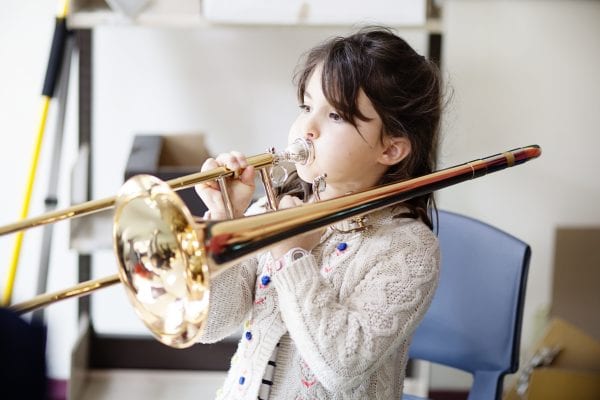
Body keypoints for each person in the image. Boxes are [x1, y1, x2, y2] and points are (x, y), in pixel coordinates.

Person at [195, 26, 443, 400]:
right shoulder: (275, 207)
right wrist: (224, 219)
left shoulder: (408, 250)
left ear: (391, 149)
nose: (306, 128)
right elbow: (212, 325)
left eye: (337, 116)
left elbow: (340, 367)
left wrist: (292, 257)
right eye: (307, 107)